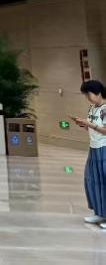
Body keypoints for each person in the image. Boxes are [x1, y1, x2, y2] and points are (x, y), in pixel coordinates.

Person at [73, 80, 106, 228]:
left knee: (104, 181)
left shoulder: (105, 109)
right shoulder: (92, 108)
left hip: (104, 148)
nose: (87, 97)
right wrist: (84, 125)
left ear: (98, 93)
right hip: (94, 149)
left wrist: (90, 124)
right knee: (92, 180)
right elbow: (93, 128)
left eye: (89, 94)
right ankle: (100, 213)